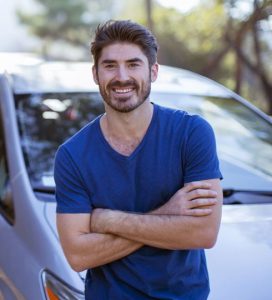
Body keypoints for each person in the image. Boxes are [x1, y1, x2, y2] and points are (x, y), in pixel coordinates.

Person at [54, 20, 223, 300]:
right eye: (110, 66)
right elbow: (78, 255)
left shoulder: (191, 133)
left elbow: (203, 233)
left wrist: (107, 220)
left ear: (153, 71)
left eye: (133, 64)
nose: (122, 77)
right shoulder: (72, 155)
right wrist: (168, 213)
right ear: (95, 74)